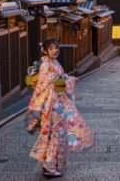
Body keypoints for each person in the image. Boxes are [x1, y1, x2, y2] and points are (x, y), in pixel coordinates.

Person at [27, 39, 94, 178]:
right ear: (44, 50)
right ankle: (49, 167)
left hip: (58, 103)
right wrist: (68, 80)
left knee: (58, 135)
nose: (54, 51)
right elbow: (50, 83)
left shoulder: (54, 63)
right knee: (55, 136)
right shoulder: (45, 65)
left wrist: (70, 78)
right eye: (50, 49)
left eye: (56, 48)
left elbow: (61, 77)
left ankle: (53, 164)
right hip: (50, 105)